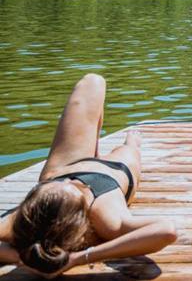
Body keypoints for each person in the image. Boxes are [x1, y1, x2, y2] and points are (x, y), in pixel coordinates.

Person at [0, 74, 177, 278]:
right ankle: (131, 145)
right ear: (80, 218)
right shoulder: (106, 219)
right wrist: (80, 258)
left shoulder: (17, 223)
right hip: (113, 174)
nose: (72, 180)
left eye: (47, 187)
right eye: (75, 188)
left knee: (93, 81)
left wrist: (18, 257)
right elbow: (166, 231)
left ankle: (90, 151)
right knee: (130, 147)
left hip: (64, 164)